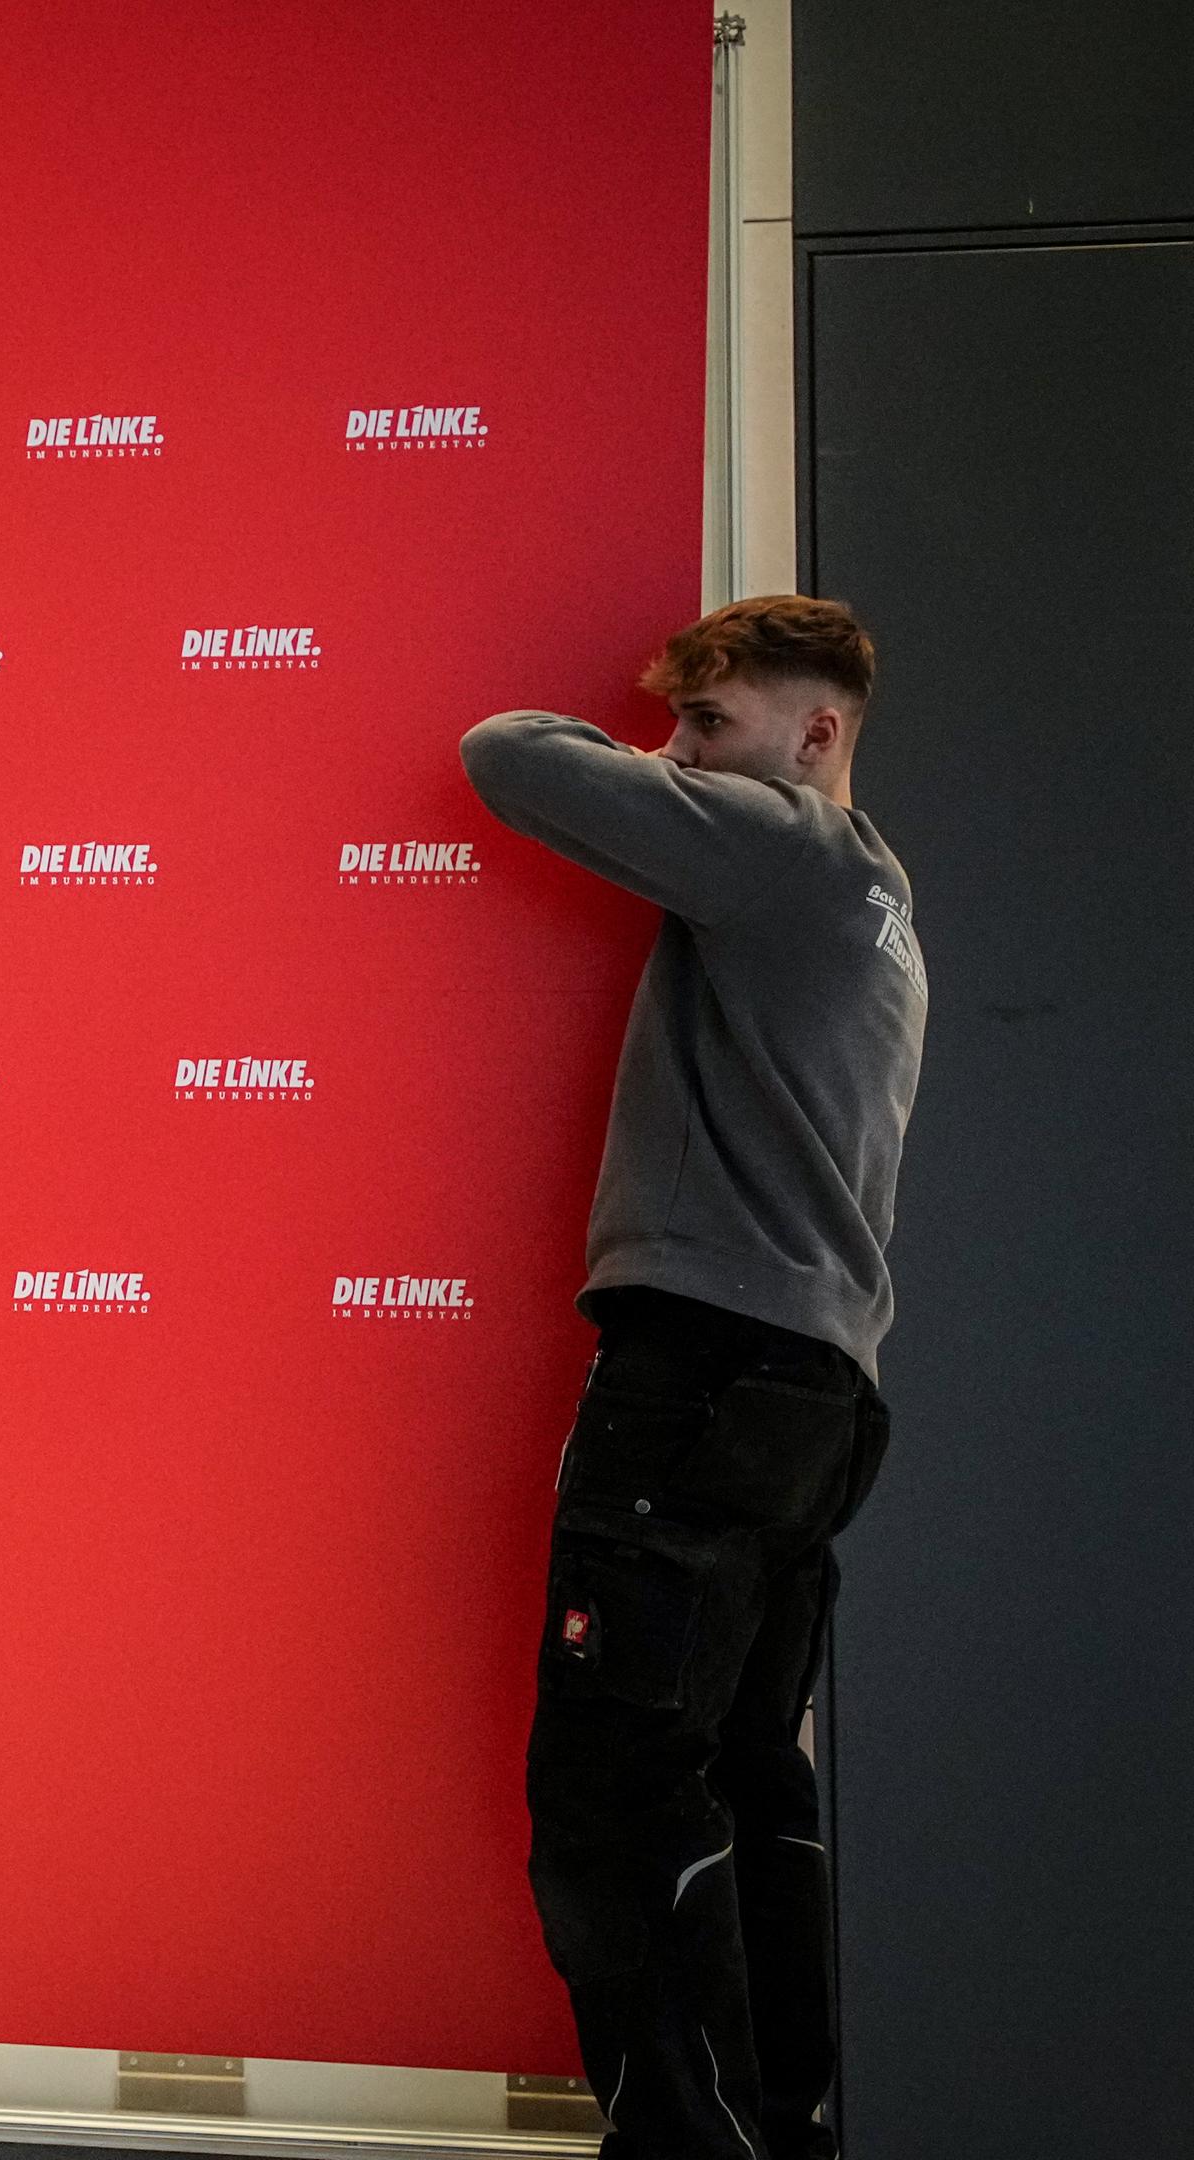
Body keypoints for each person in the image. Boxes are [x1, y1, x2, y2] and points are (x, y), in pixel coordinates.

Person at [460, 595, 925, 2160]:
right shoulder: (880, 896)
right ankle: (775, 2130)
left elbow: (507, 754)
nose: (683, 756)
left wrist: (651, 771)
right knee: (739, 1777)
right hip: (813, 1391)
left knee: (618, 1786)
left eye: (713, 726)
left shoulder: (779, 848)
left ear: (819, 733)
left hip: (707, 1370)